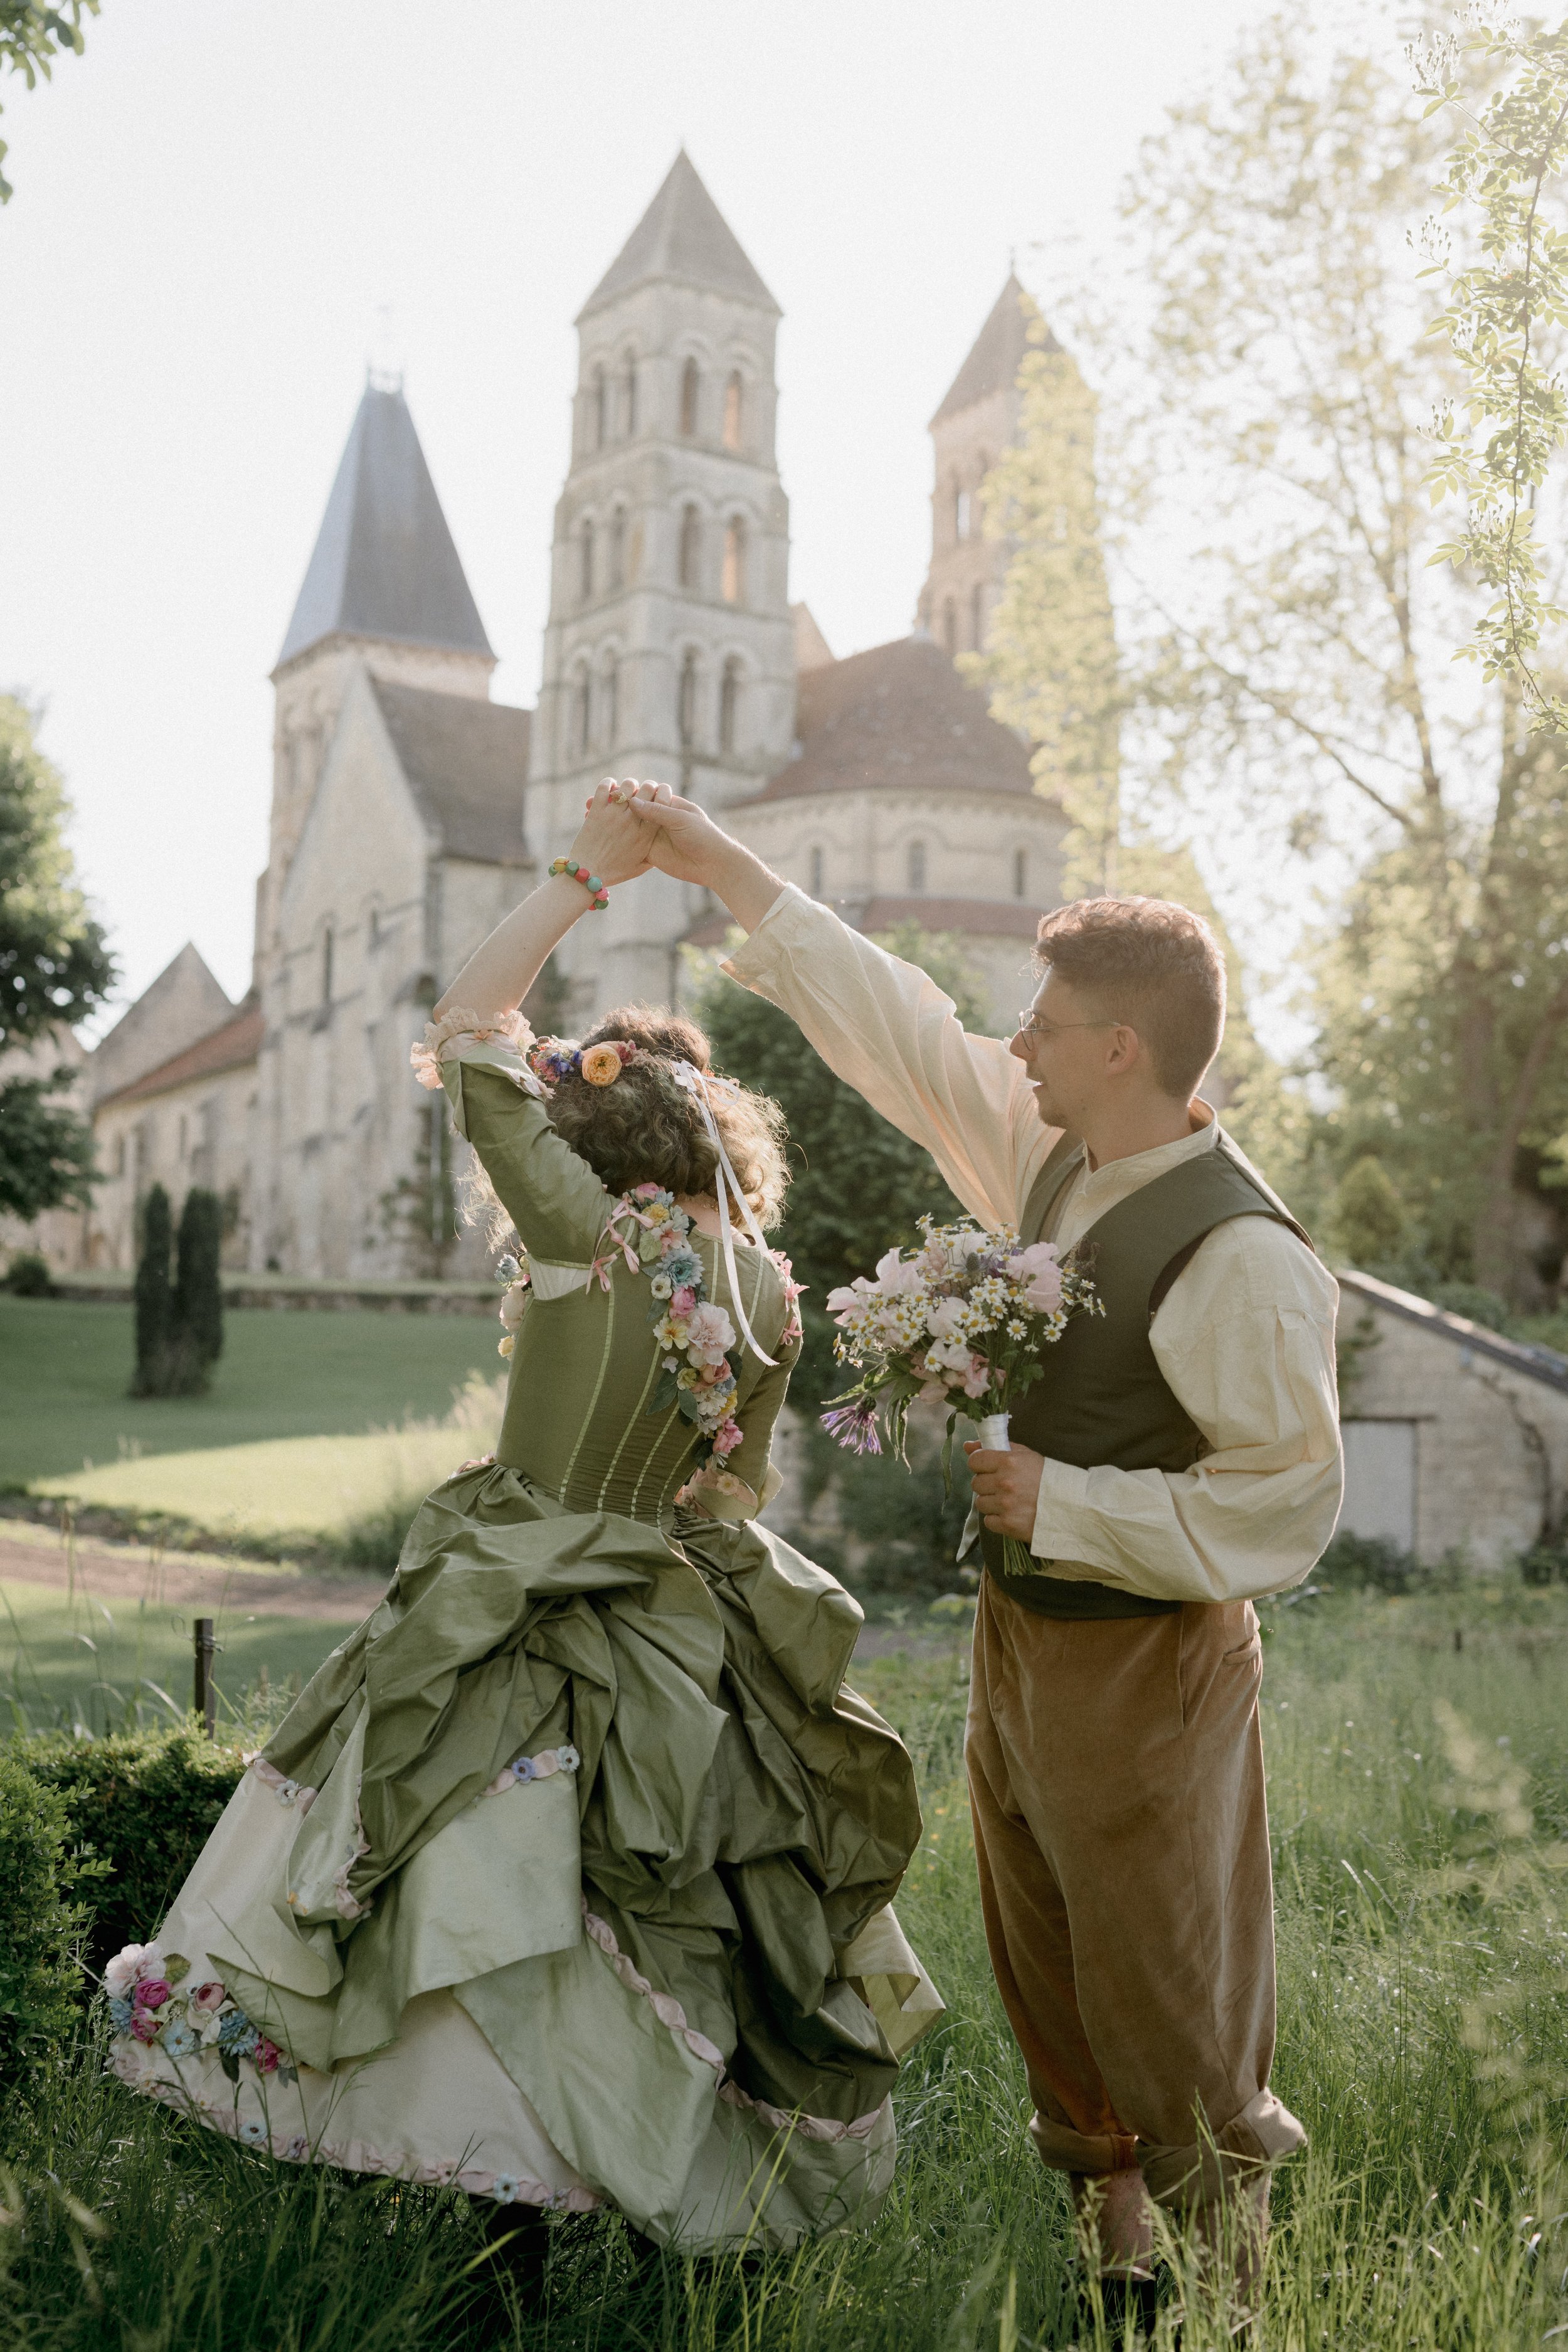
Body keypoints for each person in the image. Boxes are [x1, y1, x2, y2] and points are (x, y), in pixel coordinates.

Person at [103, 784, 939, 2266]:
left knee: (445, 1845)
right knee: (651, 1888)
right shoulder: (768, 1293)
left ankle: (468, 2185)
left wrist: (577, 875)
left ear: (589, 1130)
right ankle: (618, 2177)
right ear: (714, 1136)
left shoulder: (585, 1233)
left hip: (511, 1584)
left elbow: (467, 1022)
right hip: (674, 1613)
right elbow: (728, 1492)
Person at [617, 779, 1342, 2324]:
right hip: (1020, 1641)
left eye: (1044, 1022)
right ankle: (1117, 2280)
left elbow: (1282, 1507)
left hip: (1148, 1664)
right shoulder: (1055, 1158)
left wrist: (1066, 1508)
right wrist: (718, 862)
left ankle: (1234, 2310)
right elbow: (904, 1032)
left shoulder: (1239, 1255)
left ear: (1120, 1047)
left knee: (1167, 1985)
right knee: (1048, 1965)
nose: (1014, 1044)